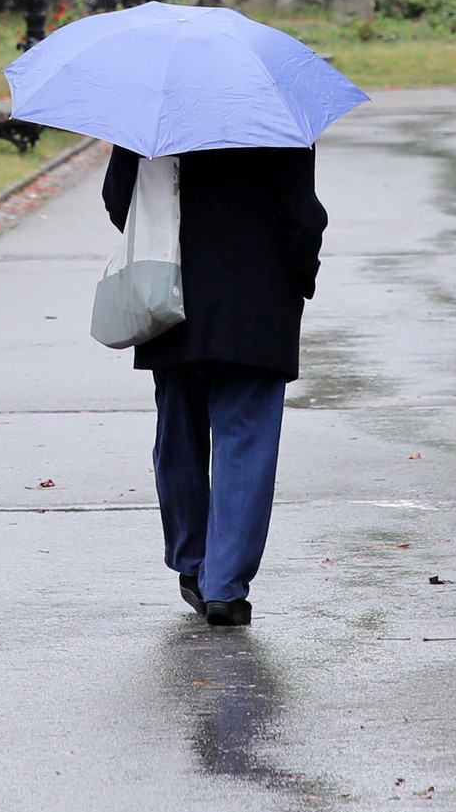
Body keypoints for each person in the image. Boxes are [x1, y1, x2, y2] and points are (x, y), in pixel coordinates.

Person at [102, 143, 327, 627]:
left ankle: (192, 562)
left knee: (179, 434)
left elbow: (118, 196)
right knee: (245, 438)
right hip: (258, 299)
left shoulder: (155, 109)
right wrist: (298, 280)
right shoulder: (275, 112)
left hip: (172, 291)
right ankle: (225, 585)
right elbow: (303, 216)